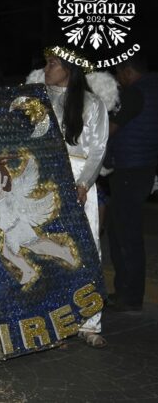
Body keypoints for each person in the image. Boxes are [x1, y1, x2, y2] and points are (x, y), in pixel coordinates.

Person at [41, 46, 109, 348]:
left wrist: (83, 184)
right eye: (46, 63)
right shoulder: (38, 100)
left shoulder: (92, 103)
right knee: (49, 247)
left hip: (79, 178)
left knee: (86, 246)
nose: (47, 68)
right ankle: (54, 323)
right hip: (48, 179)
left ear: (69, 68)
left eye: (53, 63)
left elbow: (97, 149)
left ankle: (88, 322)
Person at [0, 155, 76, 285]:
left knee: (37, 247)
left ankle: (63, 252)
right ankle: (28, 270)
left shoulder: (8, 196)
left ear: (4, 181)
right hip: (10, 232)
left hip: (19, 228)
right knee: (8, 252)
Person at [107, 55, 158, 312]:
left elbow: (109, 129)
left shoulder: (133, 94)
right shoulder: (152, 90)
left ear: (127, 72)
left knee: (124, 236)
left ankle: (128, 295)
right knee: (125, 232)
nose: (118, 79)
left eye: (118, 73)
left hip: (128, 170)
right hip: (144, 167)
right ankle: (128, 293)